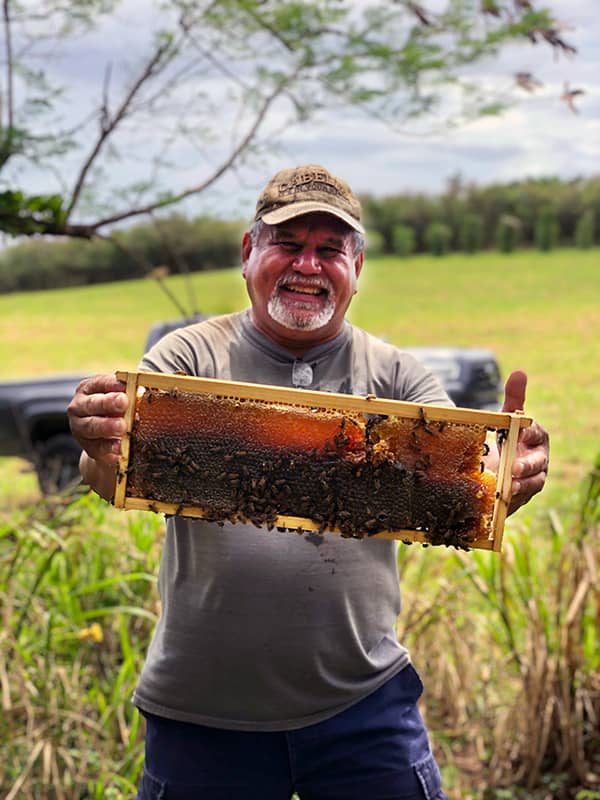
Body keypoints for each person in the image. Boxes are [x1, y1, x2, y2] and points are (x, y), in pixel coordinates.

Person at [68, 164, 550, 800]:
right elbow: (112, 474)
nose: (308, 266)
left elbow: (469, 492)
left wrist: (506, 480)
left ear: (357, 268)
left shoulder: (399, 376)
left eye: (330, 250)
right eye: (288, 245)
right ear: (248, 254)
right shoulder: (186, 359)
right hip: (201, 708)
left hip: (362, 704)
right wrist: (97, 441)